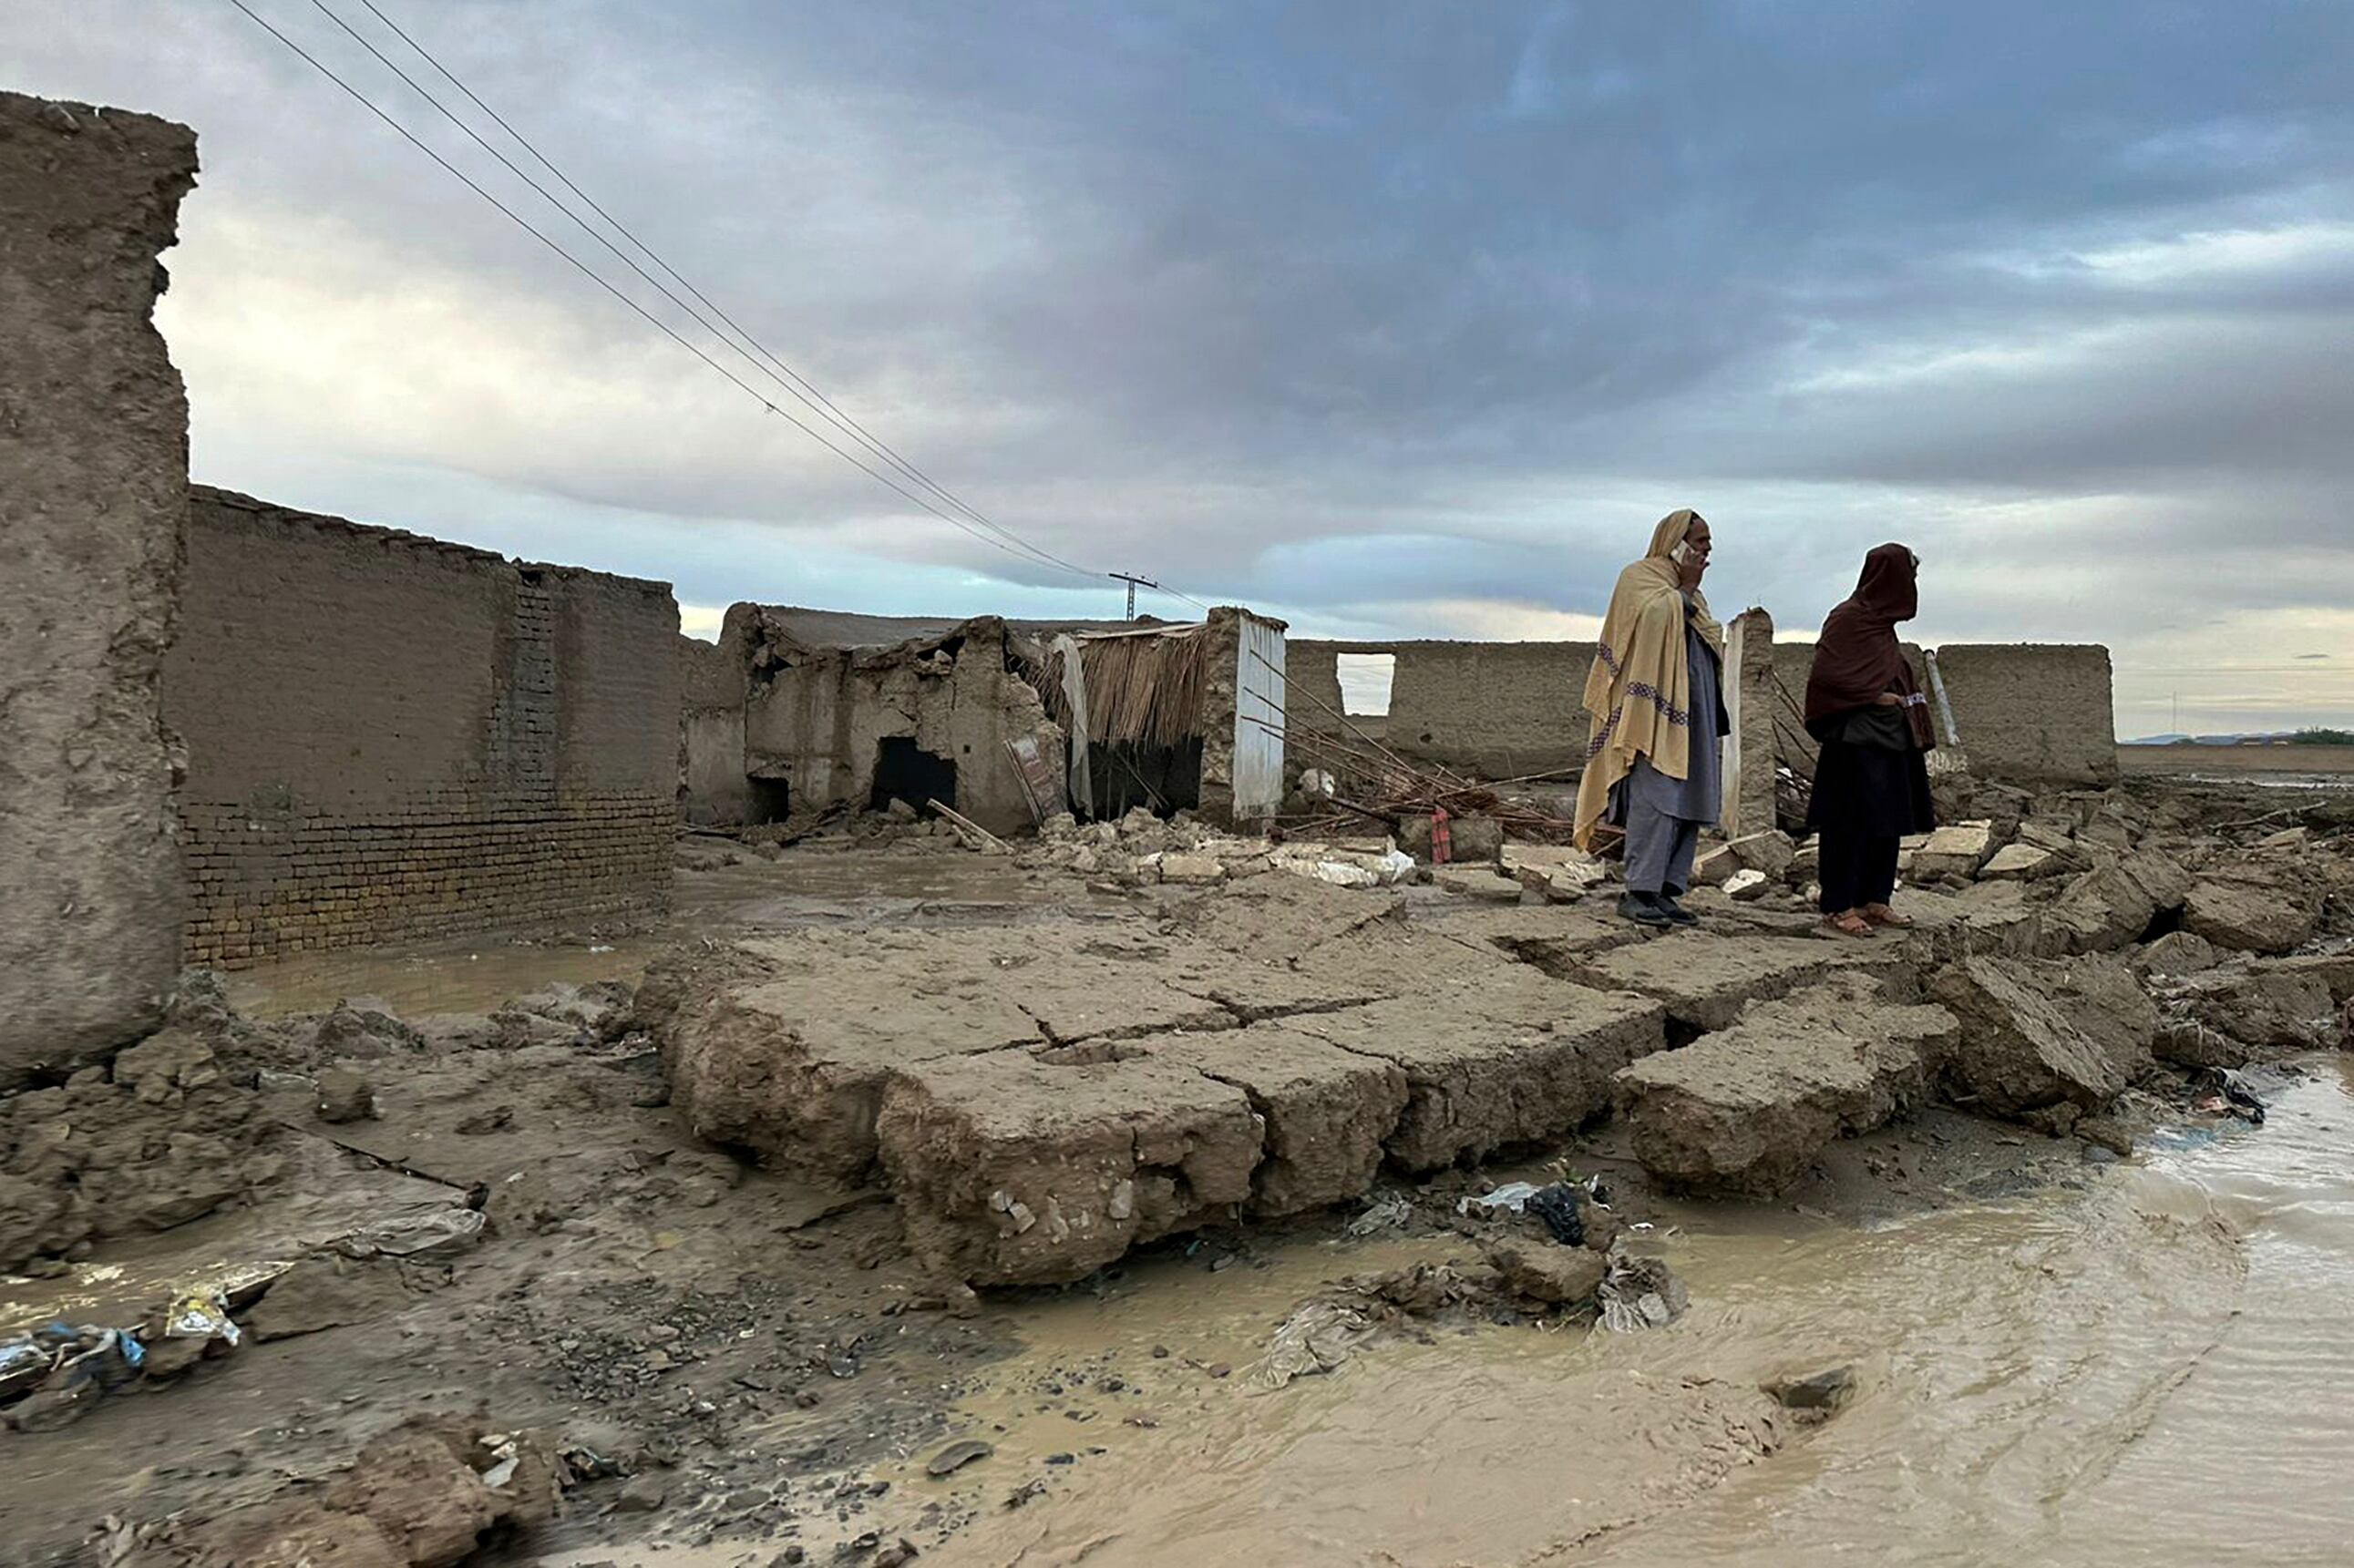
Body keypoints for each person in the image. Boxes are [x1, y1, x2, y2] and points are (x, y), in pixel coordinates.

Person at [1574, 508, 1730, 927]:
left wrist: (1687, 594)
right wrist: (1683, 592)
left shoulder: (1691, 594)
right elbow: (1645, 624)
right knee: (1656, 801)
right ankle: (1638, 890)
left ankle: (1666, 891)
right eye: (1700, 540)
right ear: (1675, 540)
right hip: (1651, 717)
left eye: (1709, 542)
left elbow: (1707, 636)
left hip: (1693, 716)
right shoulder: (1639, 578)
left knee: (1690, 803)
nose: (1707, 549)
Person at [1804, 543, 1938, 938]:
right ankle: (1840, 906)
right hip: (1856, 740)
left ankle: (1875, 898)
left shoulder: (1883, 627)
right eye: (1907, 576)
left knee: (1887, 819)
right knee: (1849, 822)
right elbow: (1828, 676)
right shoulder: (1848, 619)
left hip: (1891, 737)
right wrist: (1874, 697)